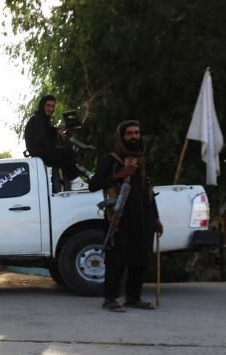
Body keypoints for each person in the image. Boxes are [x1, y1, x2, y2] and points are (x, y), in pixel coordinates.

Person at [87, 120, 163, 312]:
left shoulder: (144, 161)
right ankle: (110, 299)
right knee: (117, 260)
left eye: (137, 133)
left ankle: (133, 298)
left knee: (141, 259)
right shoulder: (112, 160)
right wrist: (120, 174)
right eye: (129, 133)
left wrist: (155, 217)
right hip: (119, 217)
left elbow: (149, 191)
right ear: (122, 137)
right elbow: (94, 184)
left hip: (143, 217)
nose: (134, 137)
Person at [23, 94, 81, 191]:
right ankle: (75, 182)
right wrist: (54, 135)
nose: (50, 109)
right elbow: (42, 139)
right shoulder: (37, 120)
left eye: (52, 106)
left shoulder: (43, 120)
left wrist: (56, 131)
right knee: (66, 154)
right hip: (40, 152)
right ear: (42, 105)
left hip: (42, 151)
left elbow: (48, 131)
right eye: (48, 105)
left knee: (67, 155)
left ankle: (69, 185)